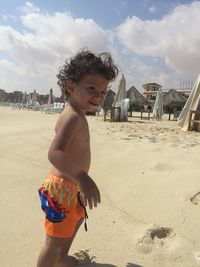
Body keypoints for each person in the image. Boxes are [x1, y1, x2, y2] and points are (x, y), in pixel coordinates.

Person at [37, 49, 118, 267]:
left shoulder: (77, 113)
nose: (99, 96)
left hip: (71, 186)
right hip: (62, 187)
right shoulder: (72, 117)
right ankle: (55, 257)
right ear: (71, 87)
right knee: (53, 242)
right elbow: (55, 153)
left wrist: (79, 182)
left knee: (75, 220)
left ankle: (62, 259)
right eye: (92, 88)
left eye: (103, 91)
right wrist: (82, 178)